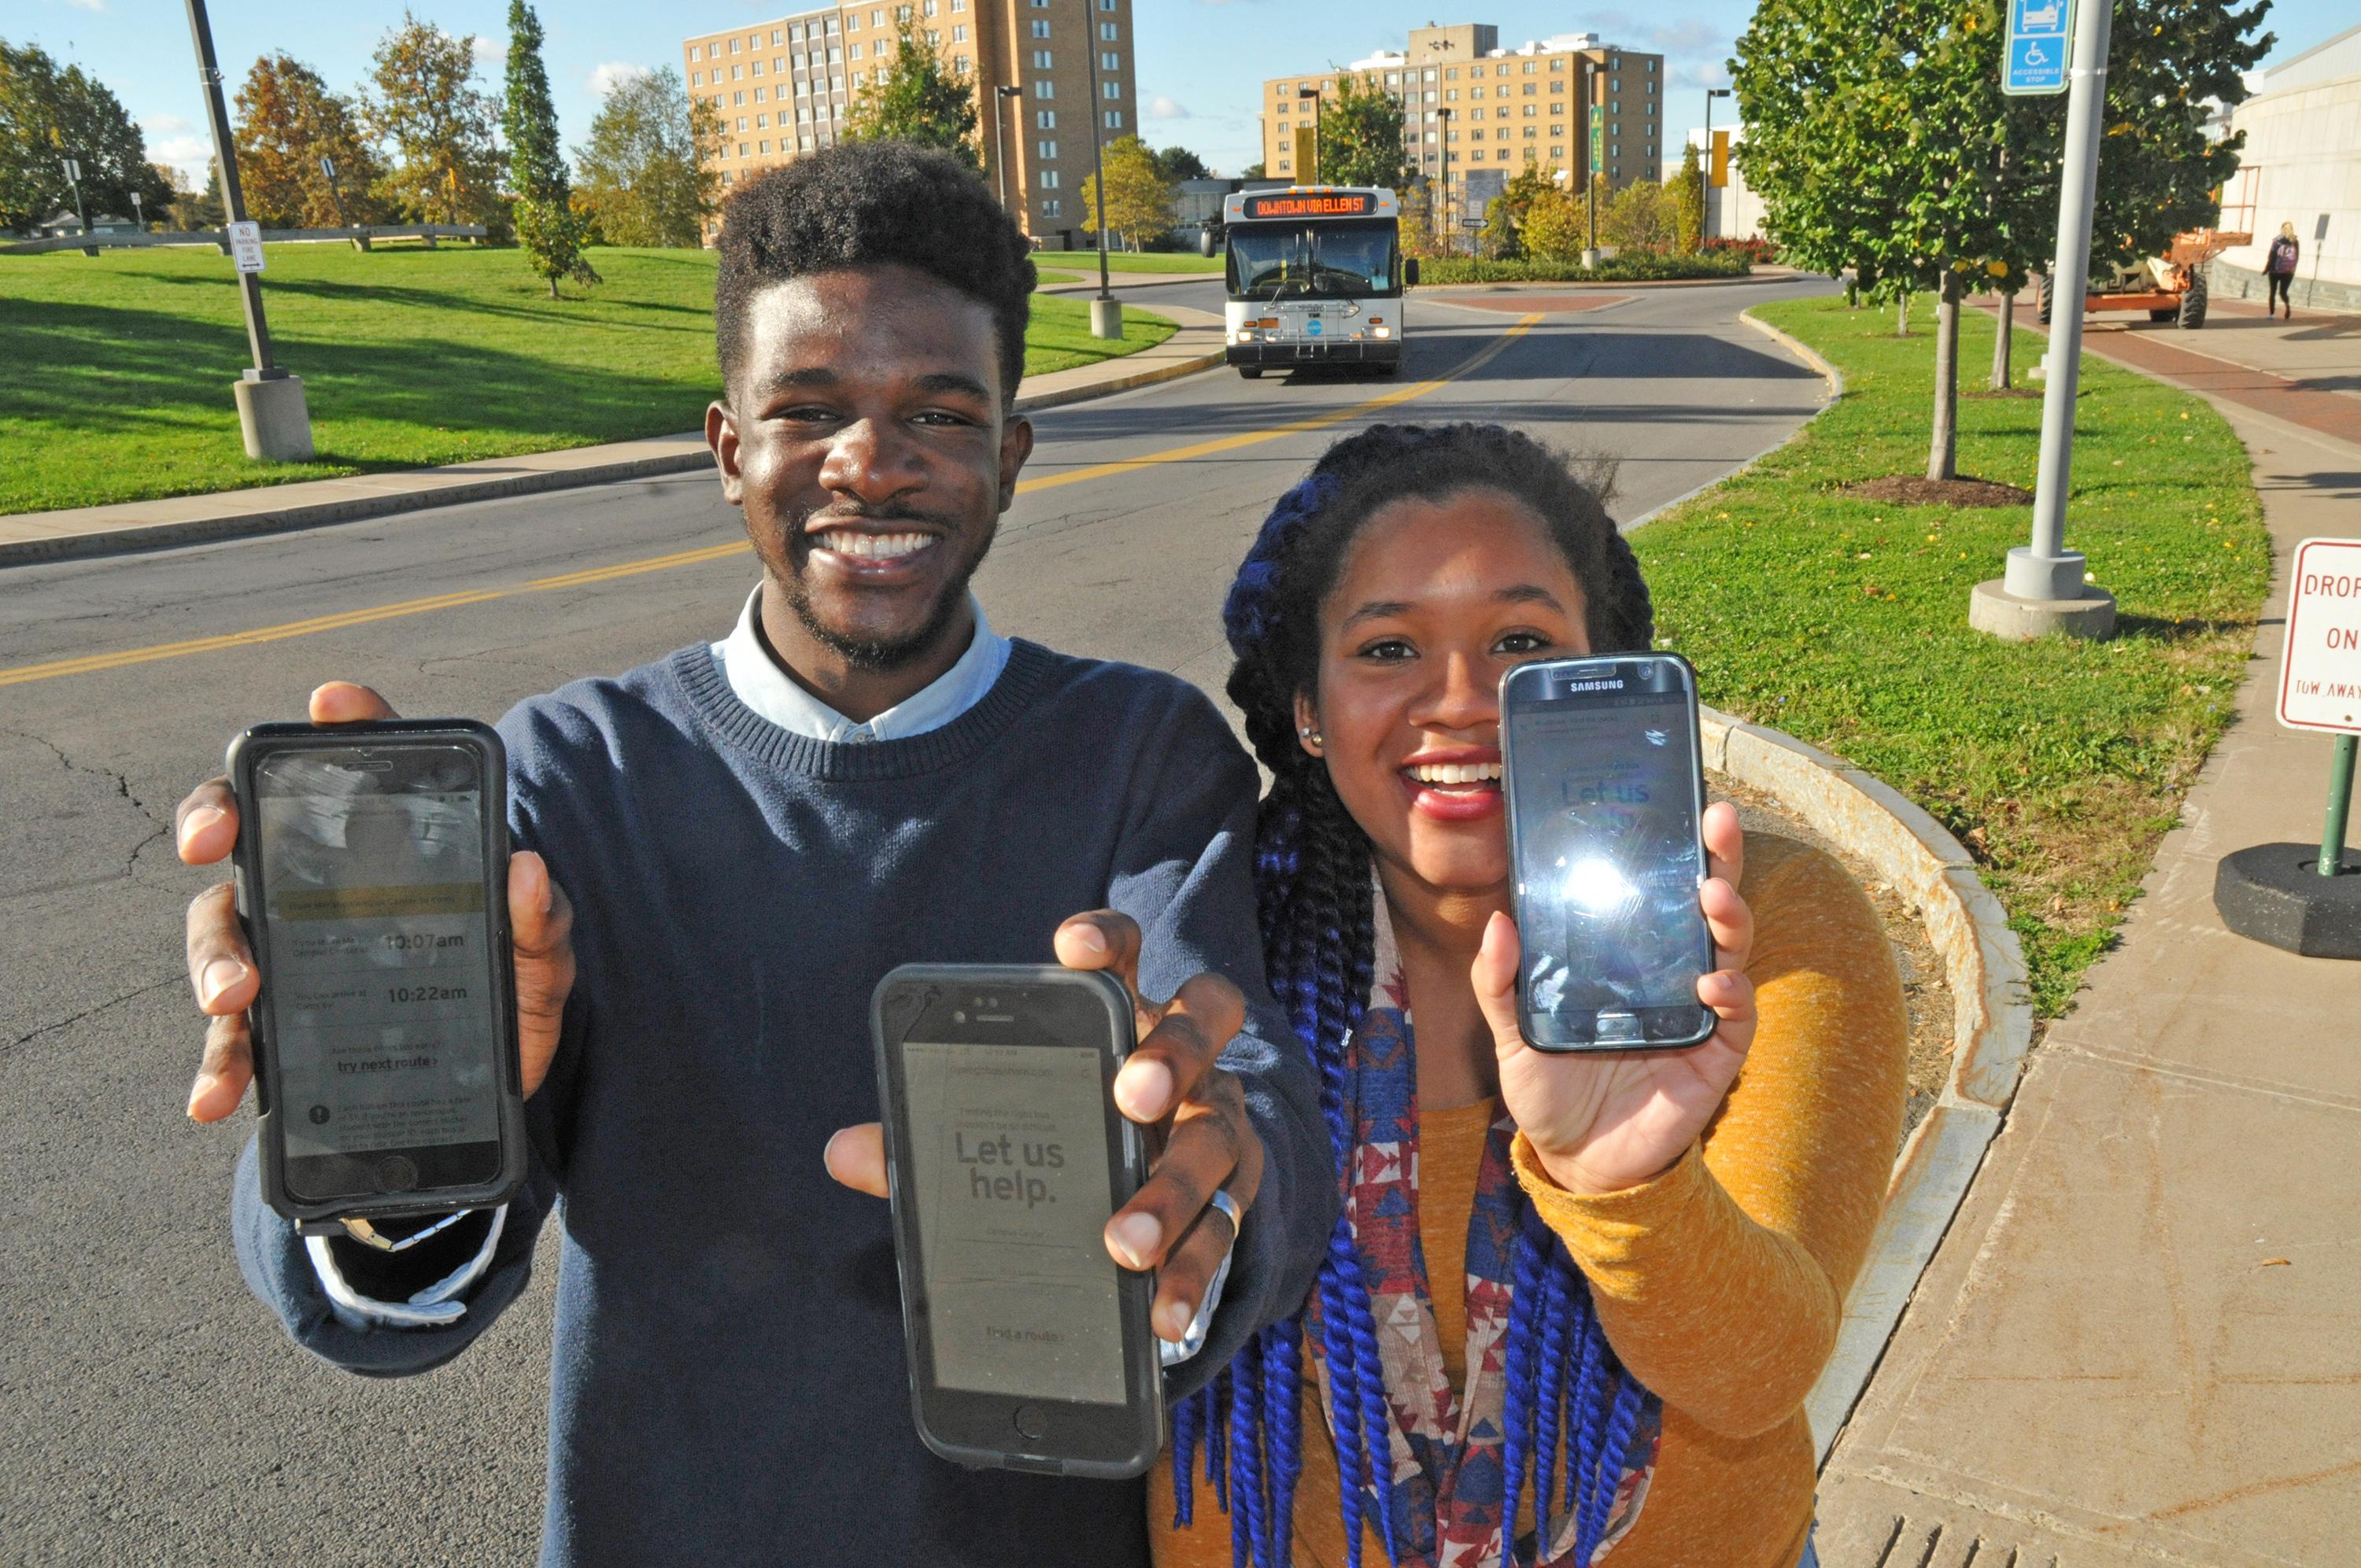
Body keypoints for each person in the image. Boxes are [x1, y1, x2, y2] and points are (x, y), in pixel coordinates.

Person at [173, 143, 1335, 1568]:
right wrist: (365, 1103)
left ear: (1012, 456)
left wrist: (1207, 1175)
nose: (874, 460)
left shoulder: (1141, 752)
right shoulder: (566, 771)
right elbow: (375, 1292)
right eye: (809, 409)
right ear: (729, 451)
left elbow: (1244, 1078)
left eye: (943, 411)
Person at [1149, 424, 1908, 1568]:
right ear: (1308, 709)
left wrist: (1631, 1183)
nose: (1462, 702)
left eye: (1519, 640)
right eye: (1390, 648)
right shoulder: (1225, 955)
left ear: (1602, 668)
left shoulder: (1768, 935)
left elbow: (1760, 1374)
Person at [2266, 223, 2300, 319]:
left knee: (2272, 292)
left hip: (2275, 270)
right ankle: (2287, 305)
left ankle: (2271, 314)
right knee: (2283, 292)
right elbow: (2297, 257)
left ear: (2282, 229)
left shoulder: (2277, 241)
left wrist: (2267, 268)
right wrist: (2293, 269)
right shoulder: (2295, 241)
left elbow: (2271, 255)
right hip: (2288, 272)